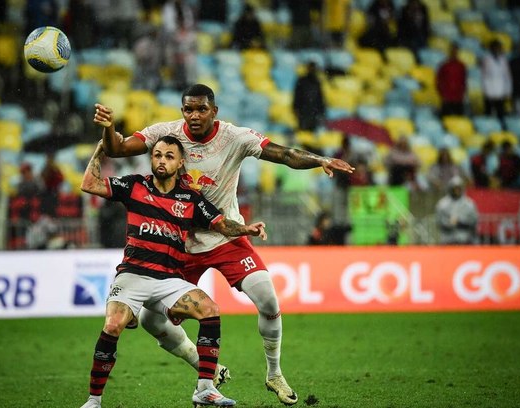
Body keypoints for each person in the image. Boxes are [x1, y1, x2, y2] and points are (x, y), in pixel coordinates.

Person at [92, 83, 355, 406]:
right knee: (150, 320)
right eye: (188, 109)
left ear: (214, 111)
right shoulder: (167, 134)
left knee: (269, 301)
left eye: (202, 109)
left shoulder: (234, 137)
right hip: (181, 245)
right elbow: (117, 148)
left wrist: (318, 159)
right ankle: (206, 369)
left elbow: (284, 154)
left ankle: (274, 374)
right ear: (182, 111)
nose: (194, 115)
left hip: (225, 233)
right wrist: (109, 129)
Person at [78, 136, 268, 408]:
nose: (161, 161)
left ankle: (205, 389)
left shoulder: (190, 198)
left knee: (210, 310)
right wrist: (99, 149)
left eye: (169, 156)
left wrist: (246, 229)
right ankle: (93, 401)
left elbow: (221, 224)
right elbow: (89, 184)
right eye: (157, 155)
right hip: (133, 275)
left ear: (180, 163)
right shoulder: (134, 185)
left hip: (169, 280)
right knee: (112, 325)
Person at [436, 176, 479, 245]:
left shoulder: (469, 204)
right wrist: (449, 223)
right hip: (448, 239)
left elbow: (474, 220)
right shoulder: (442, 204)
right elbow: (439, 221)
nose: (457, 191)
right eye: (455, 188)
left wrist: (460, 222)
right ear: (450, 189)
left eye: (459, 188)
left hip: (465, 238)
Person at [480, 39, 512, 129]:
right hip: (489, 91)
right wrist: (486, 91)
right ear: (491, 48)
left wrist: (507, 90)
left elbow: (507, 76)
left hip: (501, 92)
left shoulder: (504, 60)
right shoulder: (487, 59)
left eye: (499, 48)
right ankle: (487, 129)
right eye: (495, 47)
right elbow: (484, 76)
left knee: (501, 113)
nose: (497, 49)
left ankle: (502, 130)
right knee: (488, 113)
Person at [293, 61, 326, 132]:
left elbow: (320, 97)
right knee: (303, 131)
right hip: (304, 110)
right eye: (311, 68)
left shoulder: (317, 82)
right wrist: (296, 108)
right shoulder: (302, 80)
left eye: (314, 68)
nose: (312, 70)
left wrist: (321, 111)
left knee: (312, 132)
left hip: (313, 111)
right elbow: (297, 95)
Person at [437, 44, 467, 117]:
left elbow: (464, 81)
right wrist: (442, 93)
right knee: (446, 118)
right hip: (447, 97)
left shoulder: (461, 66)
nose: (454, 52)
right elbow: (439, 80)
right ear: (449, 52)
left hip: (458, 98)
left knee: (458, 119)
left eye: (455, 51)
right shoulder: (444, 65)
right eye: (452, 51)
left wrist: (462, 93)